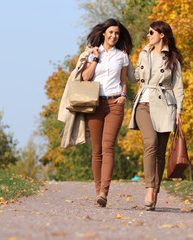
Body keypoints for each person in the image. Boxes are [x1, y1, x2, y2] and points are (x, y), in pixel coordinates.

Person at [128, 21, 184, 210]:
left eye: (151, 32)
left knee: (160, 153)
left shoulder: (173, 58)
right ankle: (149, 189)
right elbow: (134, 76)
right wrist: (124, 58)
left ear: (162, 34)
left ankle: (155, 194)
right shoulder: (143, 54)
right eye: (147, 31)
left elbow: (178, 87)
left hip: (165, 106)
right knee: (150, 143)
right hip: (143, 104)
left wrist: (178, 112)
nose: (147, 35)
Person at [82, 18, 133, 207]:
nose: (113, 36)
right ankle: (98, 194)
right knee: (97, 150)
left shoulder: (122, 56)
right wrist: (95, 58)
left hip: (115, 104)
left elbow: (124, 80)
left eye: (117, 33)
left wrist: (124, 95)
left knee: (108, 147)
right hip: (95, 104)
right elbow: (86, 77)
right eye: (110, 32)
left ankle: (104, 191)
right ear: (104, 33)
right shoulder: (93, 53)